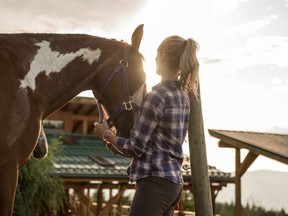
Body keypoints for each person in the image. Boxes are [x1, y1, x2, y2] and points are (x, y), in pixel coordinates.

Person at [94, 35, 200, 216]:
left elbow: (135, 147)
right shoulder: (183, 96)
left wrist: (107, 134)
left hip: (155, 184)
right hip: (174, 183)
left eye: (157, 53)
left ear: (163, 55)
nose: (155, 58)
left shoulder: (156, 97)